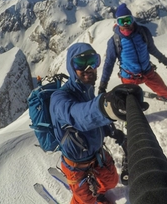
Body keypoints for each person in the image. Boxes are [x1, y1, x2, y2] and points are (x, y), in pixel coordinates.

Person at [49, 42, 145, 204]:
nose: (88, 68)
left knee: (112, 181)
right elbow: (77, 116)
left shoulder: (88, 91)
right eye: (80, 63)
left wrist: (116, 133)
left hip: (97, 155)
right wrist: (107, 107)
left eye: (92, 61)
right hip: (76, 166)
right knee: (85, 201)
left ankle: (96, 193)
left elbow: (93, 116)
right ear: (71, 67)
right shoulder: (59, 98)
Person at [98, 3, 167, 103]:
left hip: (148, 71)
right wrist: (103, 84)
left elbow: (151, 48)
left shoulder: (143, 32)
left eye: (128, 20)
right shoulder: (114, 41)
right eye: (122, 21)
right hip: (129, 77)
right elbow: (109, 63)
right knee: (132, 103)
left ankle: (164, 97)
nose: (126, 24)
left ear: (133, 19)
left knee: (165, 91)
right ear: (117, 23)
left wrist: (163, 59)